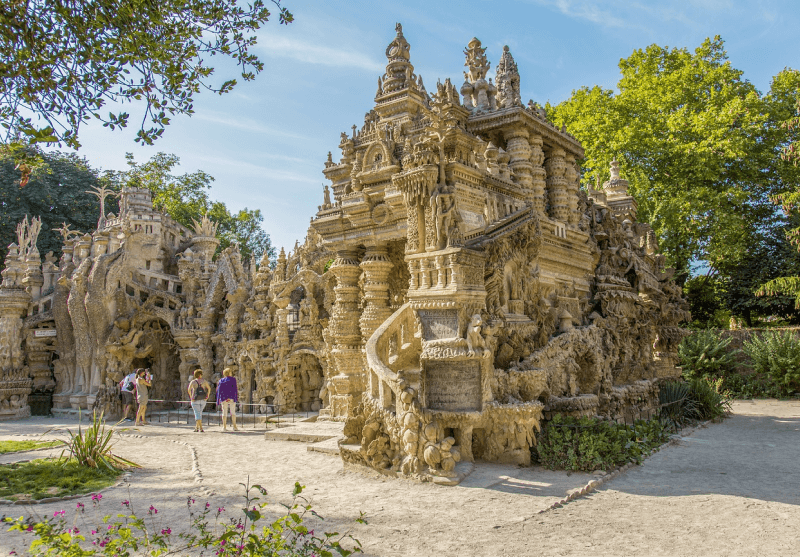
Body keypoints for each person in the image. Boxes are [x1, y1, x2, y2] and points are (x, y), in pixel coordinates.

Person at [188, 368, 211, 433]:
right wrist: (207, 396)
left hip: (195, 400)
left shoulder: (193, 382)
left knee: (197, 414)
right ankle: (196, 428)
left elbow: (189, 390)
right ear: (200, 375)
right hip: (203, 399)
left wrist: (191, 397)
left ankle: (201, 428)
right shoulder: (204, 381)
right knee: (199, 413)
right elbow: (209, 388)